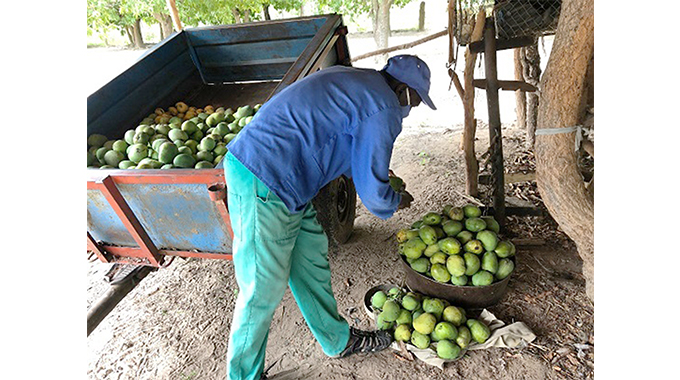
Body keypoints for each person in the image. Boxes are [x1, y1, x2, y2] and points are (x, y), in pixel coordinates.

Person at [223, 54, 436, 380]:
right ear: (406, 90)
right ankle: (242, 377)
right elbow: (375, 196)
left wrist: (373, 171)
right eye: (417, 100)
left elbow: (339, 141)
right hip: (263, 177)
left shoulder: (361, 82)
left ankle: (337, 340)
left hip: (289, 179)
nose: (413, 108)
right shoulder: (385, 107)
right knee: (261, 290)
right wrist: (395, 199)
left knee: (311, 262)